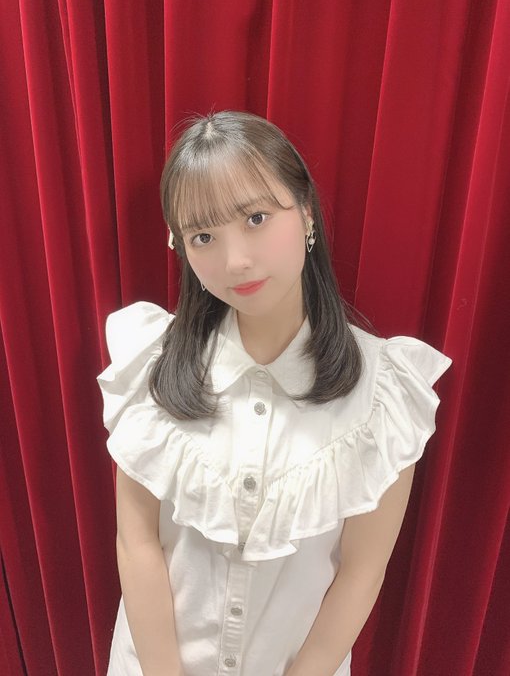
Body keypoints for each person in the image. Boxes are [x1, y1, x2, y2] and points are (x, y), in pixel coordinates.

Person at [96, 110, 452, 676]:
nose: (235, 261)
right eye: (204, 236)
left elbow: (362, 572)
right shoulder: (151, 365)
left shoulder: (384, 393)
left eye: (256, 218)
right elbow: (135, 541)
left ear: (305, 210)